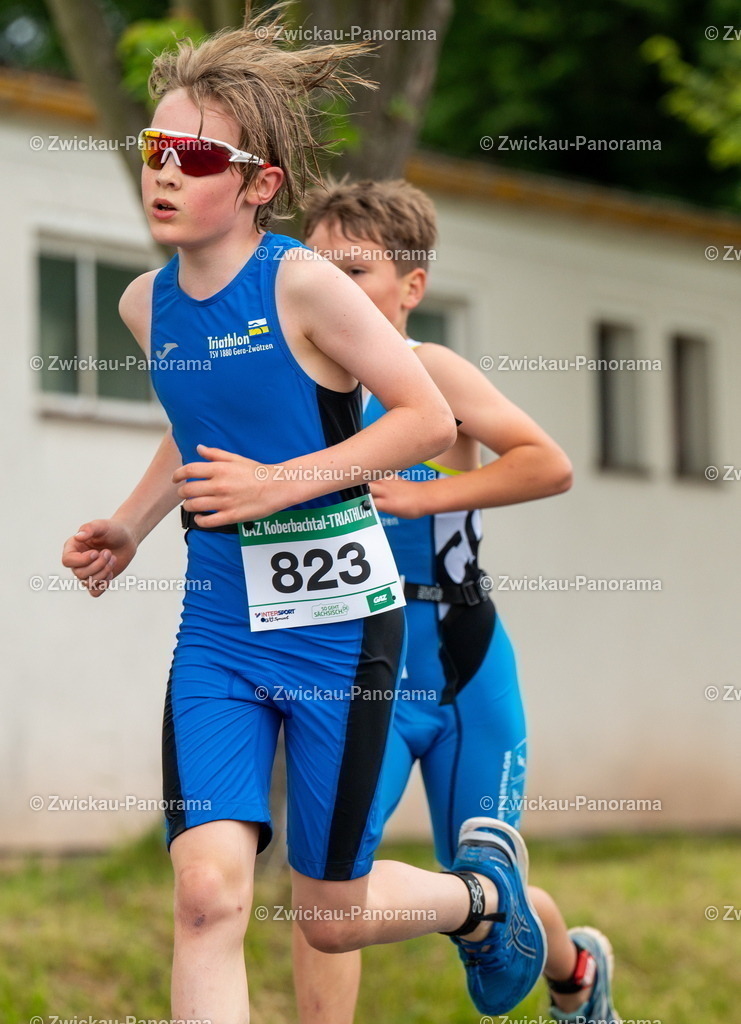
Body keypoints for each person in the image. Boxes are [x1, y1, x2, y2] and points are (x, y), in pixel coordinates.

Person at [61, 9, 547, 1024]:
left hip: (342, 634)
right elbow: (197, 429)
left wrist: (285, 484)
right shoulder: (145, 306)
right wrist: (132, 523)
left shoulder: (308, 286)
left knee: (328, 916)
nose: (163, 169)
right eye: (156, 146)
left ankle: (479, 901)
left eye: (194, 153)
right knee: (205, 896)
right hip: (221, 630)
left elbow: (419, 417)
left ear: (257, 185)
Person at [293, 177, 622, 1024]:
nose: (331, 289)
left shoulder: (429, 371)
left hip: (462, 671)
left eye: (354, 272)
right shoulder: (295, 389)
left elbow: (546, 463)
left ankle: (573, 970)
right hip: (356, 672)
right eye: (314, 269)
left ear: (411, 287)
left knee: (495, 889)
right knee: (328, 884)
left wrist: (422, 495)